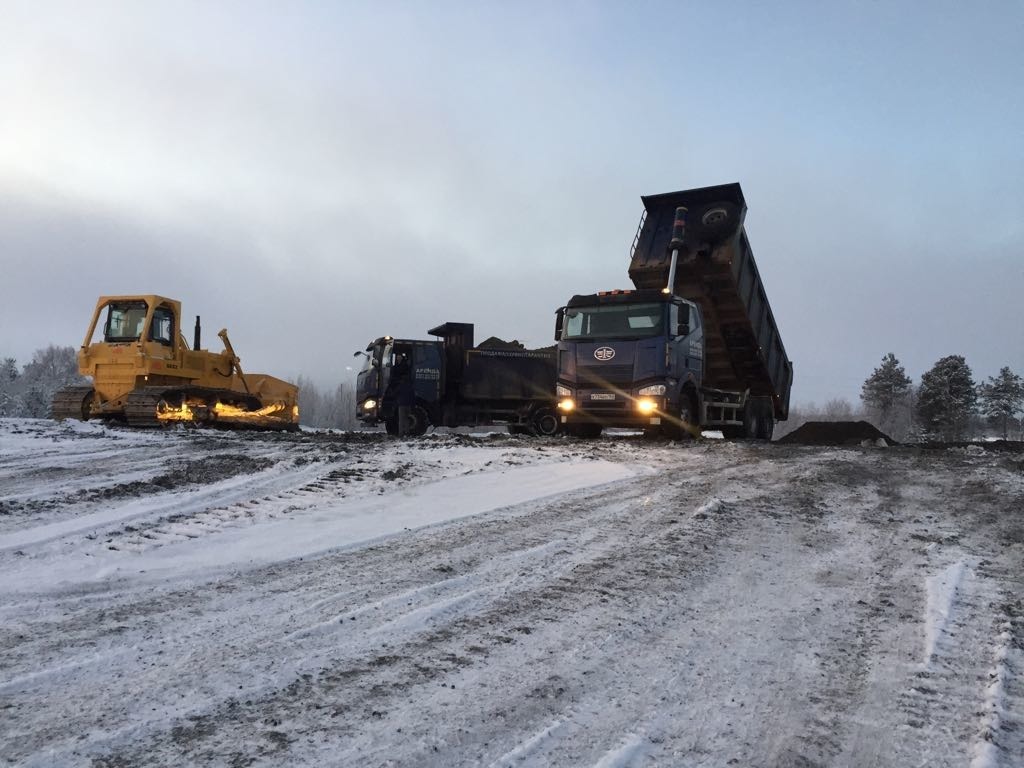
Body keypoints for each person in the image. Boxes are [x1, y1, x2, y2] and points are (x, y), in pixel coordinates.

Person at [390, 353, 414, 437]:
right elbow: (412, 396)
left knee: (401, 420)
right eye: (397, 358)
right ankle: (407, 433)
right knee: (407, 419)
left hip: (402, 404)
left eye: (399, 357)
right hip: (407, 404)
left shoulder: (400, 385)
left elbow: (395, 392)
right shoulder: (410, 386)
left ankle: (401, 434)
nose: (398, 359)